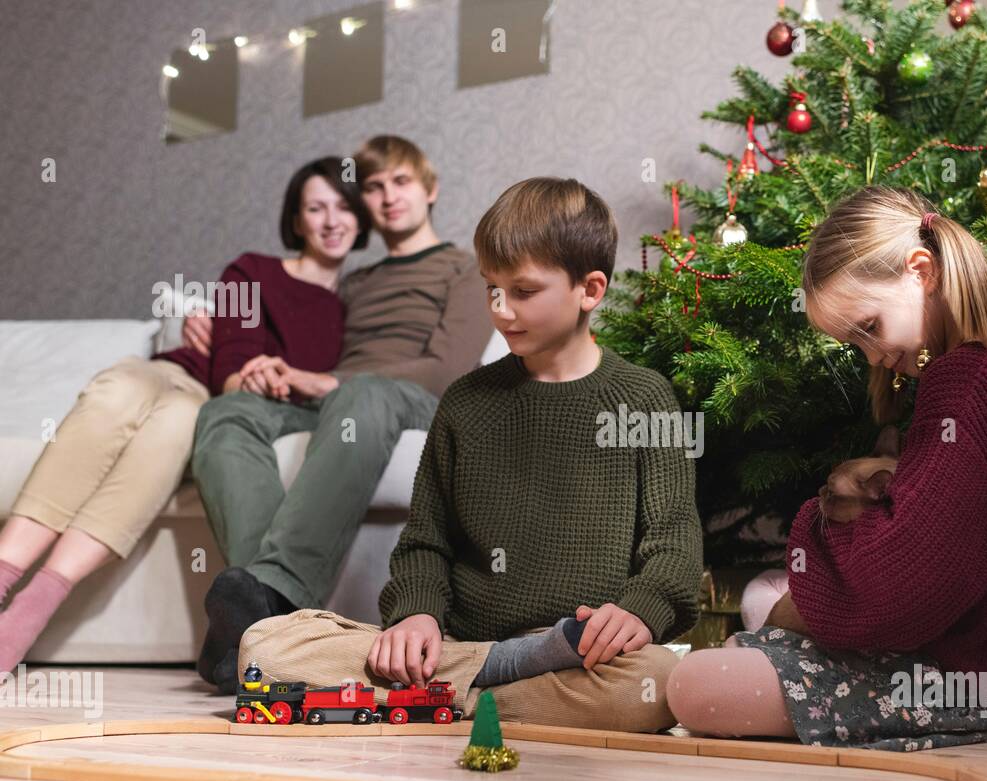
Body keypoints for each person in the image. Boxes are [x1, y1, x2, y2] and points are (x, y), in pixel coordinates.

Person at [232, 177, 702, 733]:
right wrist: (417, 616)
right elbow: (425, 543)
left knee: (651, 688)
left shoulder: (644, 399)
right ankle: (501, 674)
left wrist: (640, 610)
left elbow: (674, 543)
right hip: (463, 643)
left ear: (590, 290)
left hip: (588, 655)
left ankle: (448, 699)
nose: (502, 310)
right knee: (266, 646)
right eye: (491, 289)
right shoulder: (466, 401)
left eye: (524, 291)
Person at [667, 185, 987, 750]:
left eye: (868, 326)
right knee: (737, 658)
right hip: (984, 665)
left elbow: (899, 588)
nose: (871, 356)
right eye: (853, 343)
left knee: (701, 685)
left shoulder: (974, 382)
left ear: (922, 271)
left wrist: (826, 521)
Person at [0, 157, 366, 674]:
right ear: (297, 219)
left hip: (210, 405)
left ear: (359, 214)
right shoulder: (253, 269)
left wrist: (277, 382)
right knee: (116, 392)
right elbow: (236, 361)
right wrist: (251, 372)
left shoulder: (357, 306)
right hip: (181, 376)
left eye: (342, 206)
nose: (331, 220)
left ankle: (31, 608)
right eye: (315, 207)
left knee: (174, 429)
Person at [187, 135, 496, 693]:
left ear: (430, 190)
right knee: (228, 411)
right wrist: (211, 330)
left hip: (408, 401)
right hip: (338, 401)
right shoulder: (356, 281)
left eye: (400, 182)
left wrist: (334, 382)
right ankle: (268, 618)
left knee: (364, 393)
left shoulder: (465, 268)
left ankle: (271, 604)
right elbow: (296, 325)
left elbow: (446, 367)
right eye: (374, 187)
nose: (387, 197)